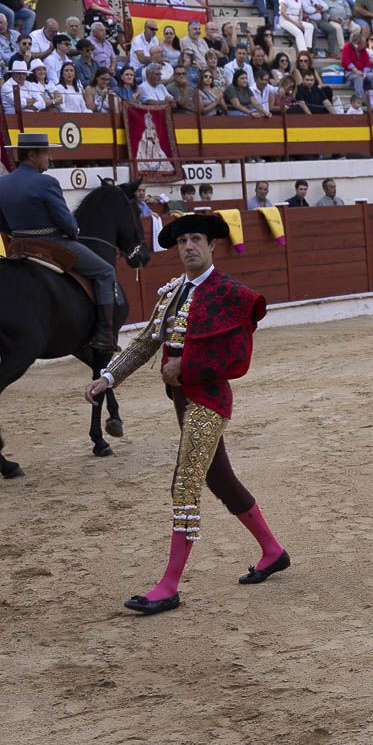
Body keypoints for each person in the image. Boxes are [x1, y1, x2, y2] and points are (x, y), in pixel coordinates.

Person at [85, 213, 289, 616]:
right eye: (182, 242)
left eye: (197, 239)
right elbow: (145, 343)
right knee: (222, 479)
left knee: (185, 484)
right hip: (183, 401)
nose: (189, 247)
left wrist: (186, 368)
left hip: (209, 401)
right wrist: (108, 378)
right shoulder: (175, 290)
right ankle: (273, 551)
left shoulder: (229, 292)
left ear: (212, 245)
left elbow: (237, 357)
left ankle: (169, 586)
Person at [0, 132, 117, 351]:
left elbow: (1, 223)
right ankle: (104, 335)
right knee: (105, 271)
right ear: (32, 155)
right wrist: (73, 233)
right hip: (51, 244)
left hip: (17, 246)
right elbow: (67, 223)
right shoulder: (46, 182)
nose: (49, 158)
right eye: (45, 153)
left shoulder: (2, 182)